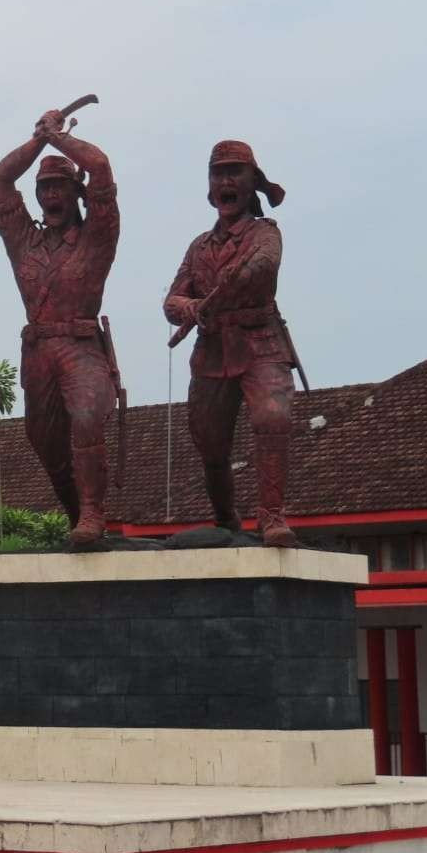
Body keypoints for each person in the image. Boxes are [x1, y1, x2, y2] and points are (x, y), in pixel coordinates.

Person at [0, 109, 120, 546]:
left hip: (81, 345)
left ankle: (93, 514)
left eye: (59, 185)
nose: (50, 195)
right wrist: (38, 140)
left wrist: (58, 138)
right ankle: (75, 513)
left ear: (76, 193)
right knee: (43, 440)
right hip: (38, 351)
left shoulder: (95, 234)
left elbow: (100, 167)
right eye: (44, 187)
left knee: (85, 418)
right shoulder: (24, 239)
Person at [163, 140, 297, 548]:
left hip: (261, 342)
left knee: (272, 417)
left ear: (252, 182)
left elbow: (263, 267)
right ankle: (226, 514)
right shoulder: (198, 246)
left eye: (234, 172)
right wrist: (189, 307)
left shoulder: (265, 234)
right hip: (212, 347)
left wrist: (231, 282)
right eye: (217, 173)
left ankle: (272, 517)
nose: (225, 181)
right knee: (209, 440)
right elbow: (171, 301)